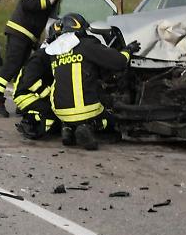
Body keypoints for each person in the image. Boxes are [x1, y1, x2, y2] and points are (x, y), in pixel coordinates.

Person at [0, 0, 68, 117]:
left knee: (22, 70)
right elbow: (27, 3)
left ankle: (21, 101)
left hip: (30, 36)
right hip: (19, 31)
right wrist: (50, 0)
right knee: (12, 65)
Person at [47, 13, 136, 150]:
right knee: (113, 120)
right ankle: (89, 127)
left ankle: (68, 128)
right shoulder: (87, 45)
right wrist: (128, 50)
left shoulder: (55, 50)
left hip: (60, 111)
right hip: (87, 109)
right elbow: (118, 61)